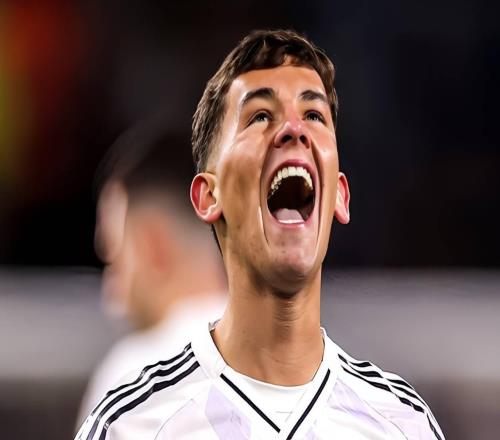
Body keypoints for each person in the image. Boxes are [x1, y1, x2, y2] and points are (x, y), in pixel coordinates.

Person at [76, 30, 444, 439]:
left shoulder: (402, 423)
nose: (293, 129)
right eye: (260, 116)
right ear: (208, 196)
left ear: (340, 196)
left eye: (314, 115)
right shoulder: (132, 424)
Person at [76, 120, 226, 426]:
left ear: (154, 246)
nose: (110, 295)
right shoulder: (305, 365)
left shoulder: (132, 379)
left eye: (114, 261)